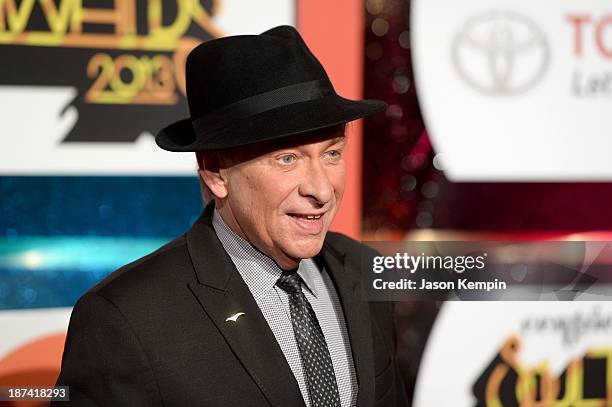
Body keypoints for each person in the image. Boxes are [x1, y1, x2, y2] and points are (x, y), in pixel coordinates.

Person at [53, 25, 408, 407]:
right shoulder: (125, 318)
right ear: (216, 173)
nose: (321, 190)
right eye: (287, 159)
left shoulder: (365, 268)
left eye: (331, 154)